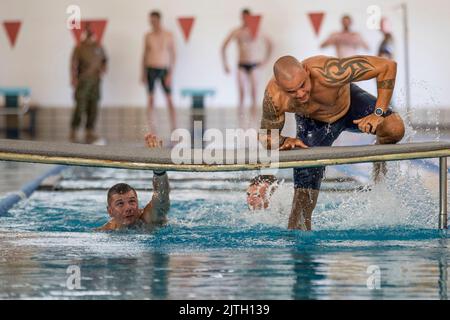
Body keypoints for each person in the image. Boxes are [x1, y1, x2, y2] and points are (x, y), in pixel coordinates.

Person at [259, 55, 405, 231]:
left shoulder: (329, 71)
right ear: (281, 87)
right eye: (292, 92)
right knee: (302, 206)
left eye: (303, 85)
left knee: (395, 128)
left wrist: (378, 113)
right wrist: (283, 140)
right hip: (314, 123)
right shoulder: (274, 97)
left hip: (350, 105)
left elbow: (387, 66)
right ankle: (300, 250)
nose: (301, 94)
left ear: (306, 71)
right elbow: (266, 137)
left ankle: (379, 164)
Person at [96, 134, 170, 231]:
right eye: (120, 204)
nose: (128, 208)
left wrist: (159, 171)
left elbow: (161, 198)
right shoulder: (105, 230)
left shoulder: (147, 219)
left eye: (132, 201)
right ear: (110, 211)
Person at [222, 8, 273, 127]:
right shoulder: (237, 32)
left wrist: (265, 61)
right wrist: (225, 65)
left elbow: (271, 45)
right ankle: (240, 120)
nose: (245, 20)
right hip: (241, 65)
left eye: (247, 17)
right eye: (243, 17)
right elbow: (223, 47)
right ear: (241, 18)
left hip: (255, 65)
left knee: (254, 93)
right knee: (241, 93)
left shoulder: (258, 31)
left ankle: (253, 121)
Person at [70, 24, 108, 144]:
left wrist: (103, 68)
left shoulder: (99, 47)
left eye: (91, 32)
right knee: (80, 105)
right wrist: (73, 78)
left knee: (93, 106)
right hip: (83, 80)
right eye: (88, 32)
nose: (90, 34)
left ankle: (89, 130)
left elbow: (105, 60)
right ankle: (74, 130)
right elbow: (73, 63)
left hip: (95, 81)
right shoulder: (79, 47)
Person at [142, 10, 177, 134]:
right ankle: (152, 129)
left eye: (154, 21)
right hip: (150, 69)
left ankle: (174, 127)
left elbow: (173, 55)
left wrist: (171, 74)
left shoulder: (168, 35)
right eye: (151, 21)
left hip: (164, 70)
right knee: (151, 100)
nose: (152, 23)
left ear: (159, 20)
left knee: (169, 99)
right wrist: (143, 73)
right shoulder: (148, 36)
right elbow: (144, 55)